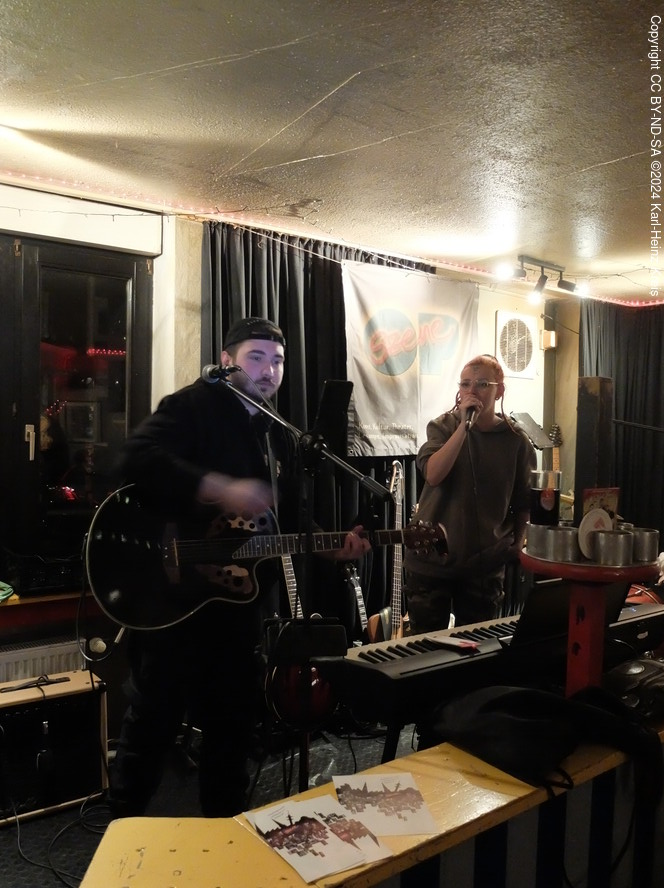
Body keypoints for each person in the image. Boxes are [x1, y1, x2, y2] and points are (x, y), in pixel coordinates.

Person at [108, 317, 370, 818]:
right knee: (154, 721)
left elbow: (289, 516)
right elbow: (135, 458)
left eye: (278, 361)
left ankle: (224, 833)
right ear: (226, 360)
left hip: (236, 610)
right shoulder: (192, 406)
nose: (269, 370)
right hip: (174, 601)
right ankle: (121, 834)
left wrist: (332, 547)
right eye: (256, 357)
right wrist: (218, 487)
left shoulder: (276, 432)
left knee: (232, 728)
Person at [403, 354, 536, 631]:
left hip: (484, 566)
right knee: (426, 647)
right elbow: (433, 474)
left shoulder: (516, 441)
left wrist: (517, 542)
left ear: (499, 390)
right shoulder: (442, 427)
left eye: (482, 384)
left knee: (476, 645)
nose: (472, 391)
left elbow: (524, 499)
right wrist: (464, 428)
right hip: (432, 561)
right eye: (465, 384)